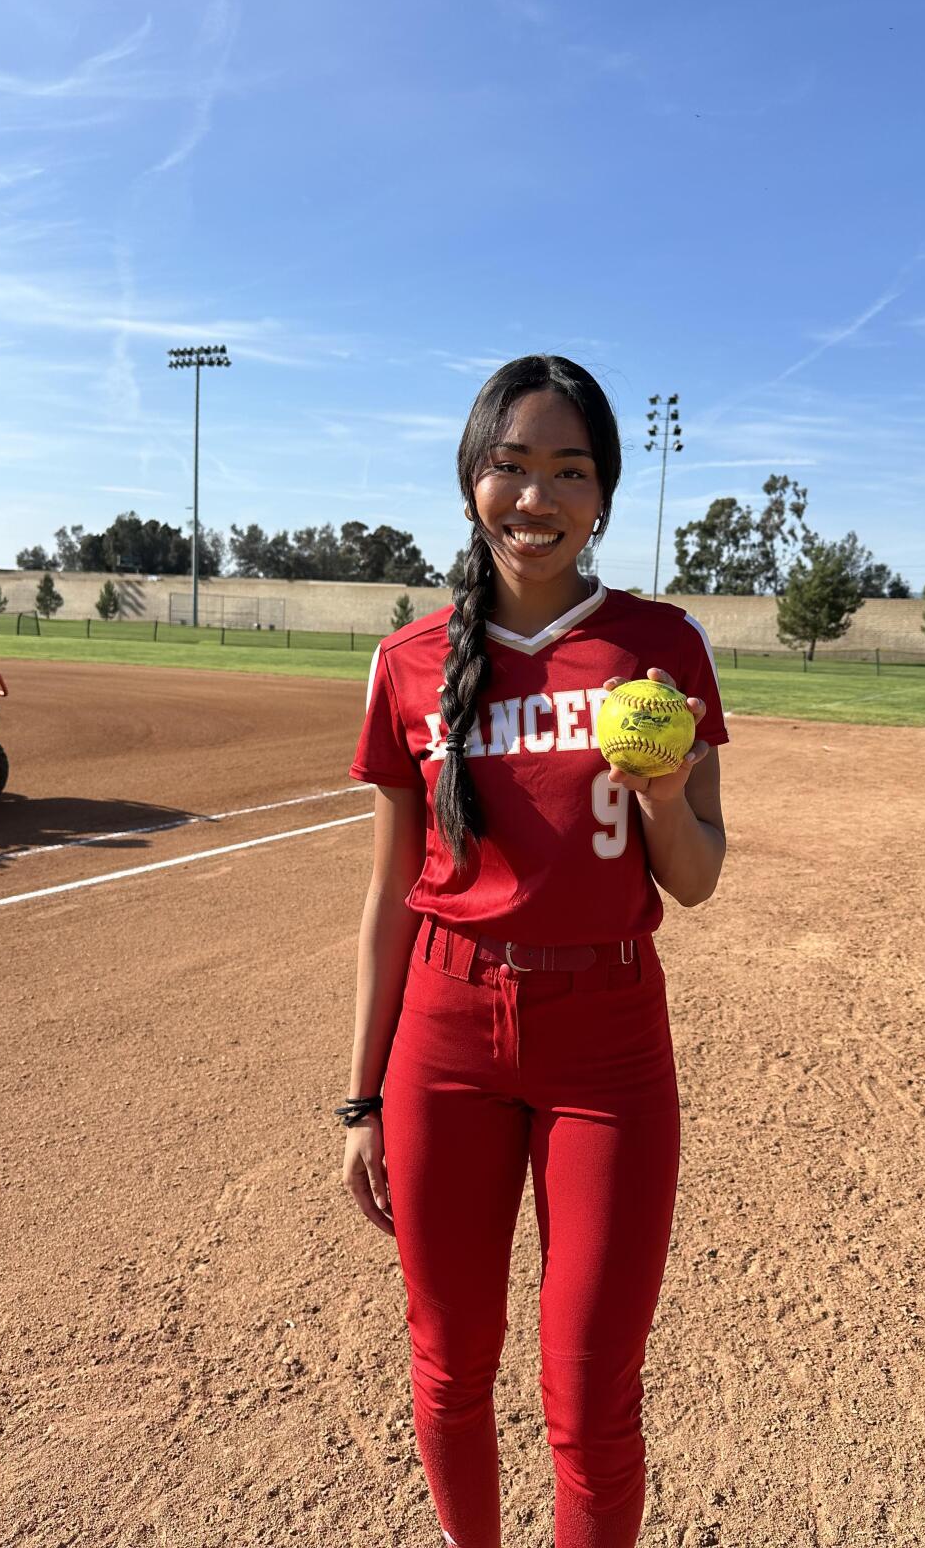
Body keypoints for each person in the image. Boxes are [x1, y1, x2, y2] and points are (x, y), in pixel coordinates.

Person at [339, 354, 729, 1548]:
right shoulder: (410, 660)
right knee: (450, 1368)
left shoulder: (659, 646)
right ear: (471, 483)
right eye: (511, 466)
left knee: (590, 1395)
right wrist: (360, 1096)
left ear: (604, 493)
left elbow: (697, 877)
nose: (536, 496)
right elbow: (392, 895)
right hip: (444, 1040)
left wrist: (662, 792)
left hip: (606, 1043)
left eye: (569, 469)